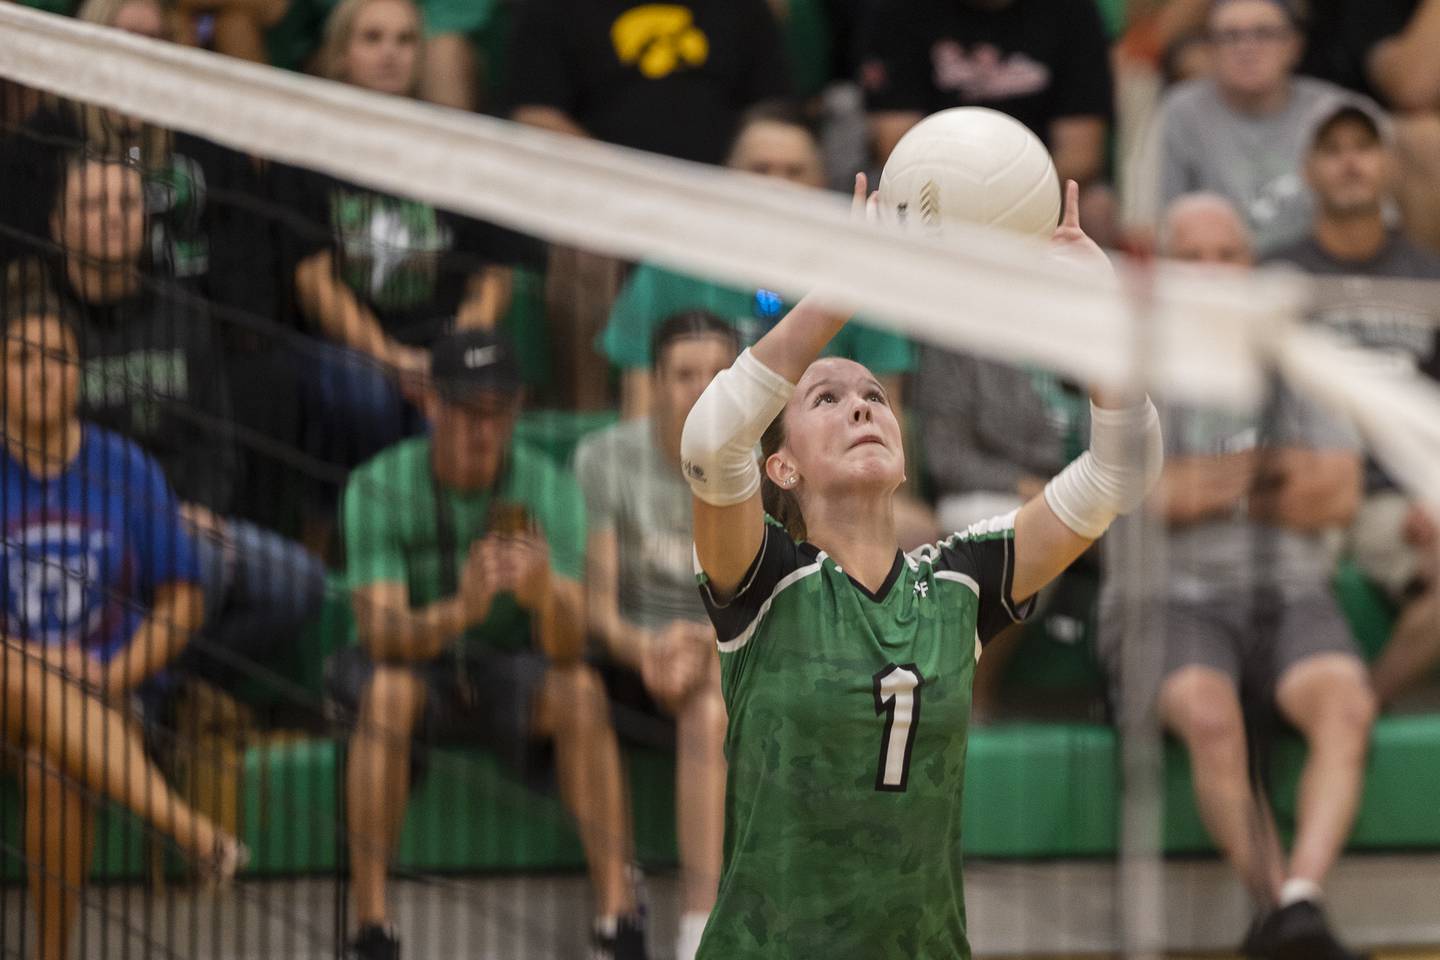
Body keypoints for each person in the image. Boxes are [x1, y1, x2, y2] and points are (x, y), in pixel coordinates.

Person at [680, 176, 1162, 958]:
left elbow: (1122, 473)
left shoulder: (958, 585)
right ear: (783, 470)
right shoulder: (767, 582)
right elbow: (710, 442)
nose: (862, 405)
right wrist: (849, 284)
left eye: (872, 394)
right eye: (825, 401)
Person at [1103, 193, 1374, 960]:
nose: (1215, 272)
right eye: (1195, 256)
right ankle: (1285, 912)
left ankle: (1297, 905)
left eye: (1230, 256)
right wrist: (1264, 474)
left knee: (1346, 706)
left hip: (1289, 593)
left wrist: (1203, 484)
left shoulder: (1293, 355)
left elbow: (1340, 493)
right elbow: (1144, 498)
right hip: (1166, 601)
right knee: (1210, 715)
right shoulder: (1130, 361)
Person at [331, 329, 648, 960]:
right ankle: (370, 928)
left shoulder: (548, 486)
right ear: (432, 407)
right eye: (468, 413)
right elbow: (379, 635)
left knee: (582, 689)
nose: (484, 431)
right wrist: (461, 610)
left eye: (498, 413)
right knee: (389, 691)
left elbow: (565, 646)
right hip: (413, 669)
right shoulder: (376, 485)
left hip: (509, 667)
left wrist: (542, 597)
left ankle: (620, 922)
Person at [1, 269, 245, 960]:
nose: (40, 375)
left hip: (107, 695)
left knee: (54, 767)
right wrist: (54, 665)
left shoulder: (127, 467)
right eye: (21, 359)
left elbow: (184, 598)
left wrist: (111, 676)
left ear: (78, 372)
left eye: (56, 359)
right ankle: (189, 830)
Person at [47, 153, 326, 693]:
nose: (113, 217)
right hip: (90, 531)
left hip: (180, 517)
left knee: (303, 585)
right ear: (57, 226)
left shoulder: (185, 311)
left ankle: (174, 683)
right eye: (93, 204)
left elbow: (217, 443)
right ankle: (160, 695)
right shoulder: (46, 325)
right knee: (202, 566)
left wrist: (201, 507)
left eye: (127, 203)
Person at [281, 0, 533, 471]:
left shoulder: (452, 148)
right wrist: (389, 358)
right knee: (367, 396)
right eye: (372, 39)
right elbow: (313, 282)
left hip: (444, 342)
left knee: (471, 392)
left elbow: (495, 271)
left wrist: (455, 352)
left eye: (404, 40)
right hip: (349, 349)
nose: (390, 54)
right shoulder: (309, 148)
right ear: (340, 55)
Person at [1267, 101, 1440, 704]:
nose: (1349, 163)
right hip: (1304, 485)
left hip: (1396, 494)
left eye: (1363, 148)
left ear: (1390, 165)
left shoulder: (1427, 276)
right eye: (1332, 150)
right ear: (1308, 169)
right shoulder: (1275, 277)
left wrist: (1434, 489)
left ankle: (1366, 701)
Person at [574, 311, 734, 960]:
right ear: (655, 382)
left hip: (717, 658)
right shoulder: (605, 458)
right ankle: (617, 909)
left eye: (717, 375)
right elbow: (598, 610)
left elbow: (763, 606)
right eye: (683, 376)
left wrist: (700, 647)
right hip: (629, 656)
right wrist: (651, 648)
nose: (699, 391)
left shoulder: (755, 469)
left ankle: (699, 929)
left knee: (711, 708)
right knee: (576, 687)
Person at [600, 104, 915, 419]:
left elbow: (888, 416)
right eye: (760, 170)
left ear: (821, 184)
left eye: (794, 172)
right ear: (728, 178)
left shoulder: (861, 277)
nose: (777, 186)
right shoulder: (669, 267)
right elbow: (640, 420)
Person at [1157, 0, 1357, 254]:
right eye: (1230, 36)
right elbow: (1158, 225)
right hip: (1216, 277)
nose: (1247, 48)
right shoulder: (1179, 112)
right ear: (1210, 49)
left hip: (1318, 277)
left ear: (1294, 46)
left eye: (1264, 33)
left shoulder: (1339, 114)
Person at [506, 0, 791, 165]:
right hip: (596, 192)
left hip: (725, 190)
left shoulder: (743, 7)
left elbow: (771, 110)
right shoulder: (550, 7)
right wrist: (622, 181)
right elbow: (536, 114)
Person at [860, 0, 1114, 184]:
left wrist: (1008, 190)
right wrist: (965, 188)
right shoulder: (899, 11)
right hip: (934, 180)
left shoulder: (1072, 11)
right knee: (879, 189)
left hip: (1037, 182)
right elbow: (894, 142)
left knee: (1096, 206)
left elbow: (1081, 154)